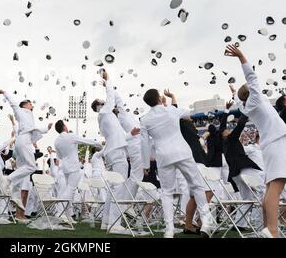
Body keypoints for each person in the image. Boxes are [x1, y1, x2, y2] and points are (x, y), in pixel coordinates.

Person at [225, 44, 286, 238]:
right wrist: (242, 56)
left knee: (270, 189)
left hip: (270, 144)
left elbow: (239, 100)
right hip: (276, 142)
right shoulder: (256, 99)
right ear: (252, 92)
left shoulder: (246, 107)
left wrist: (234, 93)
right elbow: (252, 77)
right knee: (276, 188)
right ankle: (272, 230)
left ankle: (266, 229)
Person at [140, 88, 214, 238]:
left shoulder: (145, 120)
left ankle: (169, 230)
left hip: (163, 156)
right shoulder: (171, 111)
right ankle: (206, 222)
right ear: (159, 99)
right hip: (182, 152)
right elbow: (187, 113)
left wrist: (146, 165)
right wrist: (171, 101)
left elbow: (144, 144)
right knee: (197, 185)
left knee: (166, 192)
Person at [90, 70, 139, 234]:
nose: (105, 101)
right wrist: (108, 81)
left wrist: (129, 135)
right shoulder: (104, 113)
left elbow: (117, 136)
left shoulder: (108, 118)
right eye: (102, 101)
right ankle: (114, 224)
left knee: (113, 188)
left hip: (114, 151)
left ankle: (106, 222)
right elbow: (111, 98)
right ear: (99, 105)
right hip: (117, 154)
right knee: (118, 187)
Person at [0, 88, 52, 221]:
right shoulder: (21, 111)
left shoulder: (28, 117)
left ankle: (16, 199)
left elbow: (34, 129)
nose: (32, 104)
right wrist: (4, 92)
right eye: (30, 103)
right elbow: (13, 103)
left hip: (22, 141)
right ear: (25, 105)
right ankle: (7, 180)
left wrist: (47, 129)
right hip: (24, 141)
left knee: (21, 172)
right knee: (32, 167)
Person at [54, 119, 102, 219]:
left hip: (65, 168)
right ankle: (60, 212)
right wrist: (99, 144)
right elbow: (86, 141)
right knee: (70, 190)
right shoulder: (70, 136)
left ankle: (67, 215)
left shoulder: (57, 141)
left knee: (69, 190)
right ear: (64, 127)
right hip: (73, 167)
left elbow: (59, 156)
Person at [222, 113, 263, 231]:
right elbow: (240, 126)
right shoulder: (230, 139)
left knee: (247, 200)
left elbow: (223, 127)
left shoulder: (225, 143)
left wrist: (226, 111)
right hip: (243, 169)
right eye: (226, 131)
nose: (228, 130)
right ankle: (261, 222)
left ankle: (240, 224)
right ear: (223, 136)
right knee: (263, 189)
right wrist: (246, 112)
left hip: (235, 174)